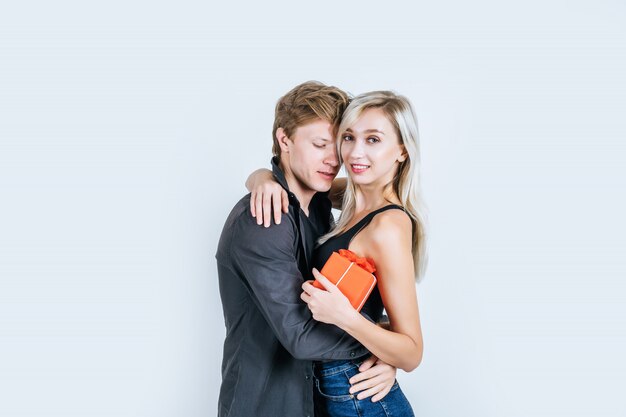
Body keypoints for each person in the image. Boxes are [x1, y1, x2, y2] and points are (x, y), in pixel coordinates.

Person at [215, 82, 398, 417]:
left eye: (338, 144)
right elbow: (301, 336)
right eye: (319, 145)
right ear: (285, 140)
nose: (333, 160)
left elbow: (379, 189)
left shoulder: (317, 206)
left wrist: (385, 351)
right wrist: (387, 344)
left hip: (319, 400)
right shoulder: (262, 220)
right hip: (265, 407)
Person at [247, 90, 426, 416]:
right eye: (348, 137)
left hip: (360, 396)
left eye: (373, 140)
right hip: (329, 390)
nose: (355, 153)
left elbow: (412, 351)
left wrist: (346, 318)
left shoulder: (387, 225)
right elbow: (297, 182)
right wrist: (261, 179)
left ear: (401, 150)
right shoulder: (353, 197)